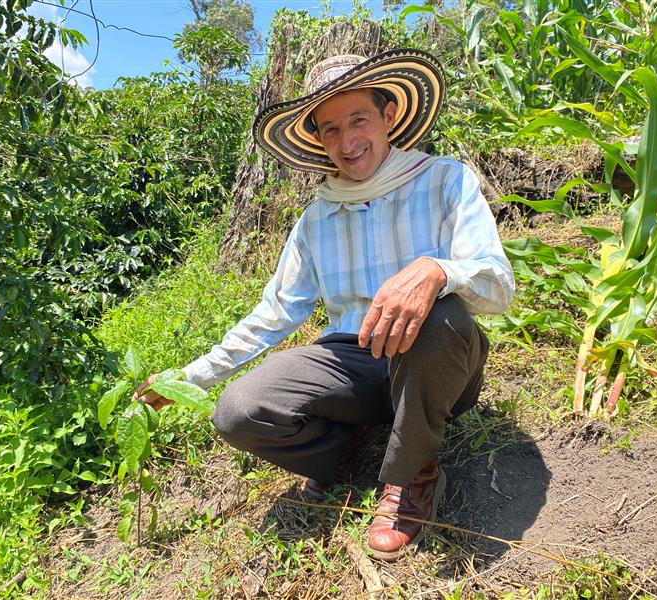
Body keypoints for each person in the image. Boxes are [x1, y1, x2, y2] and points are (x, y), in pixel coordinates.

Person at [134, 49, 515, 561]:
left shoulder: (445, 180)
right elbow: (273, 314)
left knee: (439, 314)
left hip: (437, 363)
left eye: (358, 118)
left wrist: (437, 271)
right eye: (329, 129)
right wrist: (187, 380)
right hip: (354, 363)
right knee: (238, 412)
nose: (347, 141)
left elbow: (498, 286)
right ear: (318, 139)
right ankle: (348, 442)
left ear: (390, 116)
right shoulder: (317, 219)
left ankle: (412, 477)